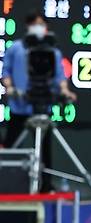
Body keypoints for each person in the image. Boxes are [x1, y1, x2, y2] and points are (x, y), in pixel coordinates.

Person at [1, 11, 76, 189]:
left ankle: (46, 186)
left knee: (45, 150)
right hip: (20, 106)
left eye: (42, 24)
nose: (39, 28)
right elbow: (6, 72)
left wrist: (65, 91)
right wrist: (10, 88)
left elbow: (59, 77)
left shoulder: (53, 52)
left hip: (42, 107)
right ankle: (5, 183)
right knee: (11, 146)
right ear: (28, 26)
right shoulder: (16, 48)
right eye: (35, 24)